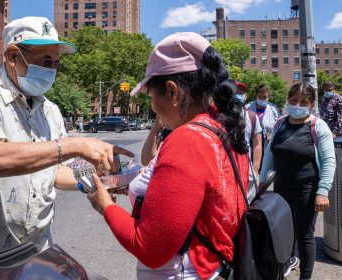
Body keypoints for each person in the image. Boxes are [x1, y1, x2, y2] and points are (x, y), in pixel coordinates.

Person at [0, 16, 133, 256]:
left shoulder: (50, 110)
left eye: (55, 64)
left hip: (36, 249)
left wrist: (101, 182)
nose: (51, 70)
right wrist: (75, 145)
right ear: (13, 56)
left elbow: (54, 172)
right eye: (45, 61)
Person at [87, 32, 249, 279]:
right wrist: (142, 181)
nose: (152, 106)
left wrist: (105, 205)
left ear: (173, 92)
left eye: (151, 97)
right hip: (215, 268)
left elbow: (151, 249)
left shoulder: (187, 140)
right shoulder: (221, 126)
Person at [260, 83, 336, 279]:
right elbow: (270, 152)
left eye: (304, 101)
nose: (297, 105)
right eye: (293, 100)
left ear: (311, 104)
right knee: (283, 231)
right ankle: (286, 264)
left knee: (304, 235)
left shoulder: (318, 126)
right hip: (281, 188)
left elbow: (329, 161)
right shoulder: (281, 123)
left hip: (307, 189)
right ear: (288, 100)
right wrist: (262, 181)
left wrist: (323, 191)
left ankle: (305, 276)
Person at [235, 81, 262, 202]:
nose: (237, 94)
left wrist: (255, 170)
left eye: (240, 92)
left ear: (245, 96)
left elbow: (257, 144)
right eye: (234, 91)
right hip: (223, 171)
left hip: (247, 170)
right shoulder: (217, 116)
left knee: (247, 207)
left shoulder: (252, 117)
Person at [246, 84, 280, 151]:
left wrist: (272, 135)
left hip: (267, 147)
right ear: (256, 96)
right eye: (260, 97)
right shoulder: (247, 108)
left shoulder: (274, 110)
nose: (262, 99)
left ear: (268, 98)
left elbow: (278, 127)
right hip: (251, 146)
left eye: (265, 97)